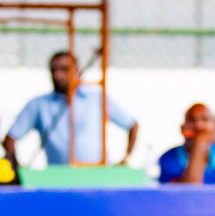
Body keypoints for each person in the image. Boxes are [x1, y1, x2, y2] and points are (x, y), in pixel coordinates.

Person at [3, 52, 138, 168]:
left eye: (64, 69)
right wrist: (19, 173)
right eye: (53, 70)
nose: (58, 75)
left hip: (100, 174)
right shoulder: (39, 104)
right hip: (59, 179)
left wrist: (126, 158)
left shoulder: (97, 98)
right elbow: (9, 139)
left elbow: (132, 124)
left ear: (77, 70)